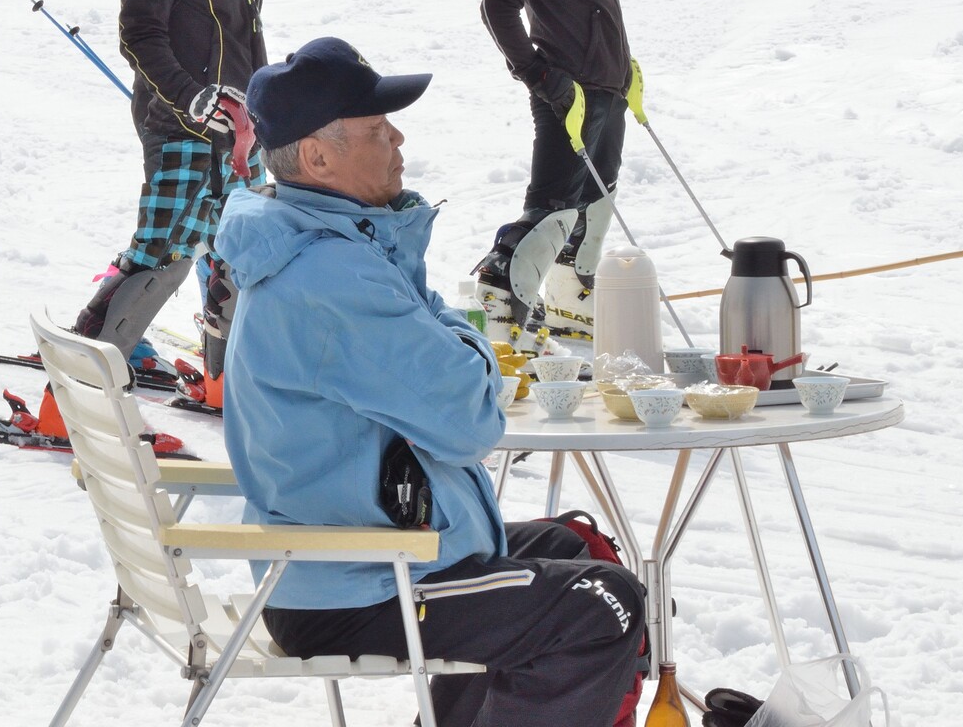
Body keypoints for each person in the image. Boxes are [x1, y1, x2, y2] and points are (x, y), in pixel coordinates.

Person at [214, 37, 645, 726]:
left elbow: (447, 337)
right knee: (601, 606)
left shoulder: (331, 247)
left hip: (349, 552)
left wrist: (450, 337)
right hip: (357, 584)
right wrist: (465, 344)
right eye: (376, 129)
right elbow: (471, 420)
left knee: (568, 548)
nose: (398, 138)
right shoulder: (331, 278)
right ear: (318, 158)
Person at [72, 0, 342, 409]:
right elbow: (139, 35)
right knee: (160, 256)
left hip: (243, 125)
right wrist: (192, 97)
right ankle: (74, 394)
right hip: (182, 127)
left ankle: (221, 383)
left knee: (238, 252)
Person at [474, 0, 633, 347]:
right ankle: (501, 308)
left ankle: (571, 298)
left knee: (596, 198)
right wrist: (538, 73)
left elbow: (591, 15)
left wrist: (624, 70)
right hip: (569, 96)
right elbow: (497, 4)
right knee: (552, 208)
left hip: (606, 91)